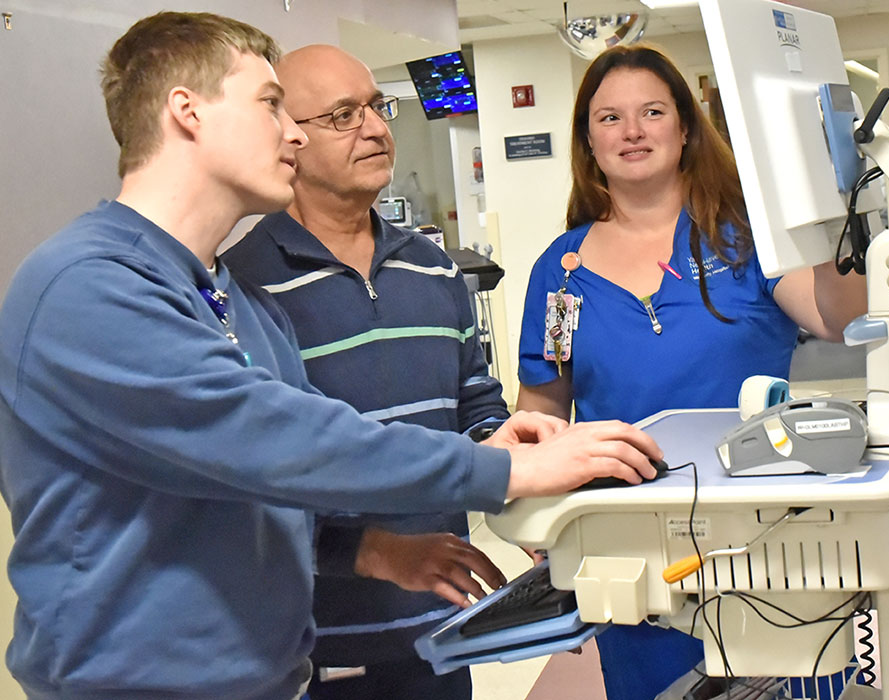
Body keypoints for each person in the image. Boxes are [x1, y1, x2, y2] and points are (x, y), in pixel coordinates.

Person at [0, 13, 663, 700]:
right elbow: (276, 439)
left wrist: (377, 547)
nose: (292, 131)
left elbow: (272, 491)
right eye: (268, 104)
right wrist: (506, 467)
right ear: (186, 111)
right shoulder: (88, 285)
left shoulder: (233, 301)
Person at [515, 45, 867, 700]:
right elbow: (541, 405)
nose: (633, 131)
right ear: (588, 141)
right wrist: (541, 518)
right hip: (633, 554)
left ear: (683, 127)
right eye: (610, 118)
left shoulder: (748, 239)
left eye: (651, 111)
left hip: (768, 538)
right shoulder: (559, 272)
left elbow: (835, 317)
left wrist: (829, 210)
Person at [222, 44, 507, 699]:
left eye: (379, 107)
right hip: (320, 654)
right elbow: (251, 488)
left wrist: (528, 489)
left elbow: (478, 408)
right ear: (286, 136)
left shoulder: (435, 272)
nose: (377, 128)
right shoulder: (243, 289)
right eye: (344, 115)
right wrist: (367, 549)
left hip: (444, 632)